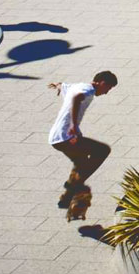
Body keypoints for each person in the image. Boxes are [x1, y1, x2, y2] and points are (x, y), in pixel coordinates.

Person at [49, 71, 118, 220]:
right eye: (108, 89)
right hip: (66, 137)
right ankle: (73, 188)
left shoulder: (79, 86)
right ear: (102, 83)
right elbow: (75, 98)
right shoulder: (87, 90)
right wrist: (73, 125)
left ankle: (67, 197)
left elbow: (65, 86)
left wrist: (58, 85)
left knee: (80, 164)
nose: (106, 93)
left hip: (56, 137)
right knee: (103, 150)